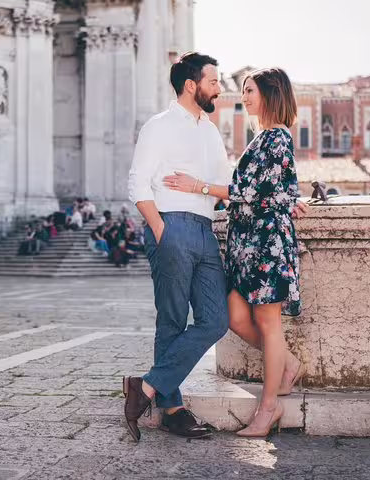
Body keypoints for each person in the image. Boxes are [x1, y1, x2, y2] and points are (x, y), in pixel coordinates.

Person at [163, 67, 306, 437]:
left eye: (251, 90)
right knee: (234, 316)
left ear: (271, 93)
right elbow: (273, 188)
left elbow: (255, 193)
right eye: (243, 90)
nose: (245, 96)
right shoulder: (261, 139)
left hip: (267, 245)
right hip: (249, 244)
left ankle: (268, 408)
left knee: (269, 324)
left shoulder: (277, 137)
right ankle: (288, 363)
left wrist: (200, 187)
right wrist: (289, 197)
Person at [123, 52, 231, 442]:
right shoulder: (160, 125)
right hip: (171, 225)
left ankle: (147, 387)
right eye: (214, 81)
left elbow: (225, 187)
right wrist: (160, 229)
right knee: (171, 319)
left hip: (205, 229)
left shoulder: (211, 130)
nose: (219, 87)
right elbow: (138, 183)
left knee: (216, 320)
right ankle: (172, 410)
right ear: (192, 85)